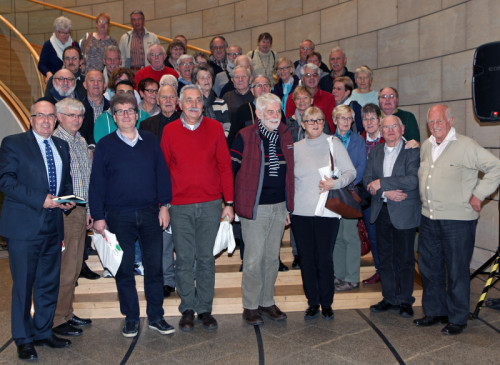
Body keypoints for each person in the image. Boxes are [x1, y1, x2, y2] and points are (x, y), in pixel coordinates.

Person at [89, 93, 175, 337]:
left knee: (154, 267)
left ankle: (156, 316)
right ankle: (131, 317)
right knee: (124, 269)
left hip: (151, 213)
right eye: (120, 111)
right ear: (114, 117)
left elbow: (162, 175)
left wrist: (164, 205)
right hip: (118, 216)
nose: (126, 115)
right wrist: (98, 216)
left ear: (137, 115)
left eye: (130, 110)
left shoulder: (149, 140)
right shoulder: (105, 145)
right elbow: (97, 185)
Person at [415, 104, 500, 335]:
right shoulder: (426, 146)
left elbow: (496, 167)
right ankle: (435, 312)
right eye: (430, 123)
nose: (434, 126)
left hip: (458, 221)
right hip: (429, 218)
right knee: (429, 268)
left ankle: (458, 317)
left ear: (450, 121)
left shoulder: (466, 145)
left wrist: (479, 194)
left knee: (456, 269)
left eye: (439, 121)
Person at [0, 98, 75, 360]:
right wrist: (40, 199)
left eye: (50, 116)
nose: (46, 120)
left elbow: (63, 183)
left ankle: (43, 331)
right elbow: (6, 182)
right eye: (40, 115)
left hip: (53, 226)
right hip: (23, 227)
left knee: (47, 283)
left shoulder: (62, 146)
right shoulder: (13, 144)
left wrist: (66, 202)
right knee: (24, 285)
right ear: (30, 119)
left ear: (56, 120)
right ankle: (23, 338)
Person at [161, 85, 234, 332]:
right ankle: (188, 309)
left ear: (204, 104)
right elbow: (163, 171)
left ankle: (204, 309)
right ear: (180, 104)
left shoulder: (214, 129)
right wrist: (163, 205)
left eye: (198, 100)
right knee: (183, 259)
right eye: (188, 100)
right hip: (179, 206)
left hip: (211, 204)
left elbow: (225, 166)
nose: (193, 104)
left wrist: (229, 203)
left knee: (205, 259)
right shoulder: (169, 131)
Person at [230, 93, 293, 325]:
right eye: (270, 112)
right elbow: (231, 170)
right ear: (258, 113)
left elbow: (290, 173)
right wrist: (231, 203)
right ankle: (250, 305)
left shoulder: (285, 135)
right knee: (254, 259)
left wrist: (289, 206)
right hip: (255, 207)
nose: (275, 116)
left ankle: (267, 301)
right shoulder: (244, 136)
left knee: (271, 258)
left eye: (278, 111)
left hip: (279, 206)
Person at [292, 106, 356, 320]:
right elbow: (289, 181)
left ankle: (327, 303)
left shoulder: (333, 143)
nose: (315, 124)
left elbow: (351, 172)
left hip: (326, 212)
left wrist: (334, 183)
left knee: (324, 258)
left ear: (324, 122)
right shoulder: (296, 147)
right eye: (310, 121)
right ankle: (312, 302)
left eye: (319, 120)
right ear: (303, 124)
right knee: (307, 259)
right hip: (301, 212)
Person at [364, 115, 421, 318]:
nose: (390, 130)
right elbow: (367, 180)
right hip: (382, 211)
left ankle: (405, 300)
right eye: (385, 127)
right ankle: (389, 297)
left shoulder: (412, 150)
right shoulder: (376, 151)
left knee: (405, 259)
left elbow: (412, 180)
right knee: (385, 259)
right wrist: (385, 192)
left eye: (394, 126)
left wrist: (382, 183)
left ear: (402, 129)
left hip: (404, 212)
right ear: (381, 130)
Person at [52, 98, 93, 337]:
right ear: (59, 117)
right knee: (65, 269)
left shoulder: (80, 140)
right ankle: (57, 319)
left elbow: (85, 180)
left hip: (80, 210)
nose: (76, 119)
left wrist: (88, 211)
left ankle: (67, 312)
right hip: (65, 212)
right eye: (71, 115)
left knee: (75, 267)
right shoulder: (55, 142)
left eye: (79, 115)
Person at [332, 105, 367, 291]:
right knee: (337, 235)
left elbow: (360, 167)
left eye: (348, 118)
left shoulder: (358, 141)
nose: (345, 121)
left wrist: (344, 183)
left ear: (352, 120)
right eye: (341, 118)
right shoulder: (328, 140)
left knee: (350, 235)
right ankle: (340, 275)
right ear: (335, 120)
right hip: (332, 193)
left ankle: (352, 277)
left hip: (351, 192)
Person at [360, 103, 384, 285]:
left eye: (372, 118)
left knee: (389, 236)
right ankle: (380, 270)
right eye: (365, 119)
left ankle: (392, 271)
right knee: (374, 236)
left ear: (379, 120)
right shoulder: (359, 140)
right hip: (368, 197)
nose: (369, 122)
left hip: (387, 196)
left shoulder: (389, 138)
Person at [285, 63, 336, 132]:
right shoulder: (292, 97)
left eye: (315, 75)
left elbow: (331, 126)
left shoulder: (329, 97)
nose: (312, 78)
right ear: (302, 78)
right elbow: (289, 123)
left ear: (318, 78)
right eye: (308, 75)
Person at [227, 75, 273, 147]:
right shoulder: (242, 111)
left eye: (266, 85)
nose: (263, 88)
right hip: (248, 153)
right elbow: (233, 138)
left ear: (270, 89)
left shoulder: (277, 111)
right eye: (259, 85)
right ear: (252, 91)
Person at [193, 65, 229, 132]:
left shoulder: (221, 103)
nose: (206, 80)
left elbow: (227, 126)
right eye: (202, 78)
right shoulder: (193, 104)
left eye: (209, 77)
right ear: (196, 82)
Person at [79, 70, 109, 146]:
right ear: (85, 85)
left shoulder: (112, 107)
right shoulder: (78, 109)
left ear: (104, 85)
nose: (96, 84)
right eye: (92, 80)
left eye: (99, 80)